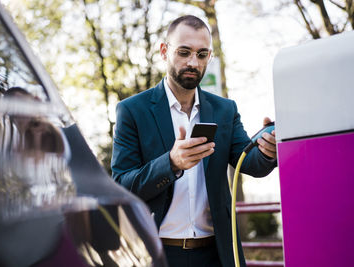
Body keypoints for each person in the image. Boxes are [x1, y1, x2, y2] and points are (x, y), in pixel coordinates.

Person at [111, 15, 277, 267]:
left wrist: (267, 149)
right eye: (184, 52)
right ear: (164, 51)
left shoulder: (225, 110)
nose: (193, 62)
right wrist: (171, 163)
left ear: (209, 57)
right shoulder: (133, 110)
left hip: (216, 253)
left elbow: (249, 162)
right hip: (159, 253)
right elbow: (122, 186)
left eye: (202, 54)